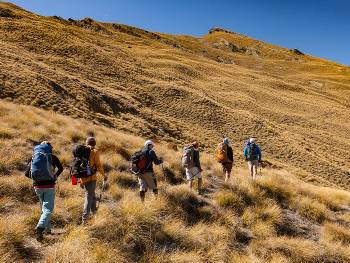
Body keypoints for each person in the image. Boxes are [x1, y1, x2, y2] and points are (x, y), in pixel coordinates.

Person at [25, 141, 63, 241]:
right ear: (49, 148)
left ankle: (47, 230)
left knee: (44, 209)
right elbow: (61, 168)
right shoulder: (52, 157)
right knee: (48, 209)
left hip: (37, 187)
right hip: (49, 185)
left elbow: (26, 173)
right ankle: (40, 227)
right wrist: (54, 176)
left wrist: (36, 179)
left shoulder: (34, 156)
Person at [80, 137, 107, 224]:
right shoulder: (94, 151)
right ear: (94, 144)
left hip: (83, 177)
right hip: (91, 178)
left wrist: (80, 180)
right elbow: (98, 165)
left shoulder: (81, 151)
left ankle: (94, 213)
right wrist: (104, 175)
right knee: (88, 196)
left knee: (92, 195)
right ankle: (85, 220)